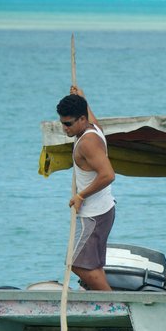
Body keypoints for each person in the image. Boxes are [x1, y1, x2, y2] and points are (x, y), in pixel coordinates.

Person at [57, 86, 116, 291]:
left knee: (76, 263)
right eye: (62, 123)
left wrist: (81, 195)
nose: (64, 128)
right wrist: (82, 97)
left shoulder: (87, 143)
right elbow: (89, 114)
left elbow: (108, 175)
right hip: (103, 210)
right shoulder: (93, 128)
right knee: (93, 265)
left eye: (68, 124)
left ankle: (112, 303)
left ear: (82, 119)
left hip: (94, 214)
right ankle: (106, 301)